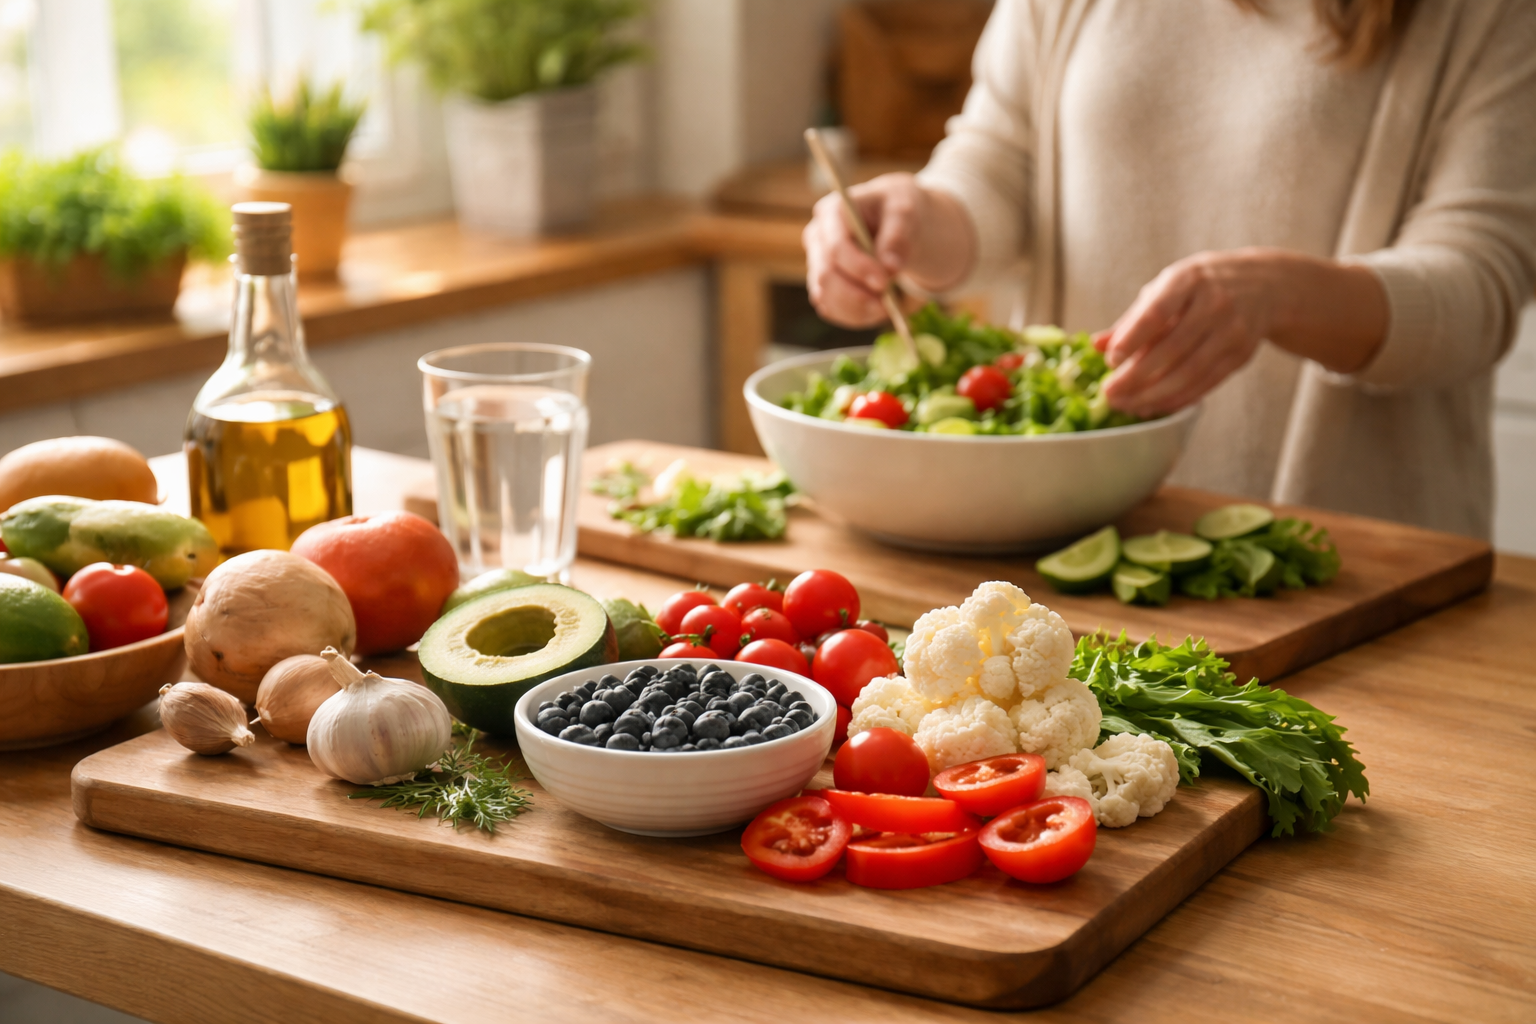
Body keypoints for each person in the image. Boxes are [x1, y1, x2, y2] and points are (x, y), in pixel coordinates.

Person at [804, 0, 1536, 538]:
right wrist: (913, 218)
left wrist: (1279, 297)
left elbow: (1479, 286)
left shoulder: (1487, 16)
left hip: (1350, 558)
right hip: (1075, 532)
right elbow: (997, 163)